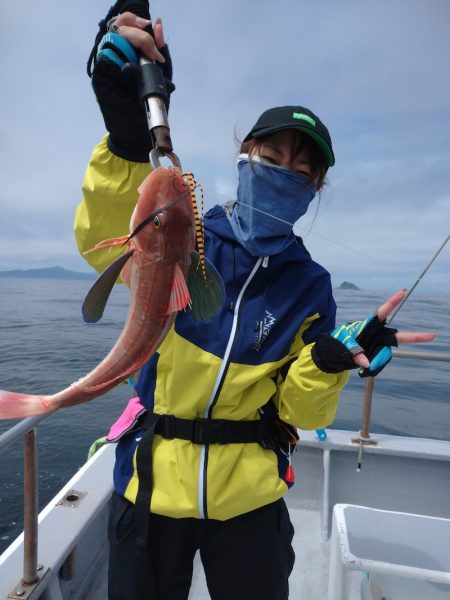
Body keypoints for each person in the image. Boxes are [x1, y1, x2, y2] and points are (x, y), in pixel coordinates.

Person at [75, 5, 436, 599]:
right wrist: (123, 136)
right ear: (243, 155)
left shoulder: (311, 285)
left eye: (302, 170)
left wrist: (327, 365)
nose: (283, 173)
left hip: (251, 500)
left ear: (315, 190)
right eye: (271, 157)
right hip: (150, 485)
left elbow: (303, 413)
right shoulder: (183, 231)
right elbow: (102, 237)